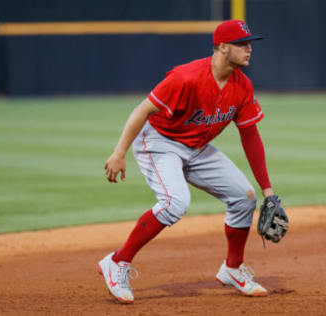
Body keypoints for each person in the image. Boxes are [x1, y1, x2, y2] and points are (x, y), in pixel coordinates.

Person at [98, 20, 281, 304]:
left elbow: (250, 135)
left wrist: (268, 191)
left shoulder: (242, 85)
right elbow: (143, 109)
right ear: (222, 48)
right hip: (159, 142)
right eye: (242, 44)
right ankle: (118, 261)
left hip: (196, 146)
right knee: (175, 202)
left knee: (244, 197)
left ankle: (232, 268)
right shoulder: (186, 78)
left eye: (250, 44)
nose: (249, 50)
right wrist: (118, 153)